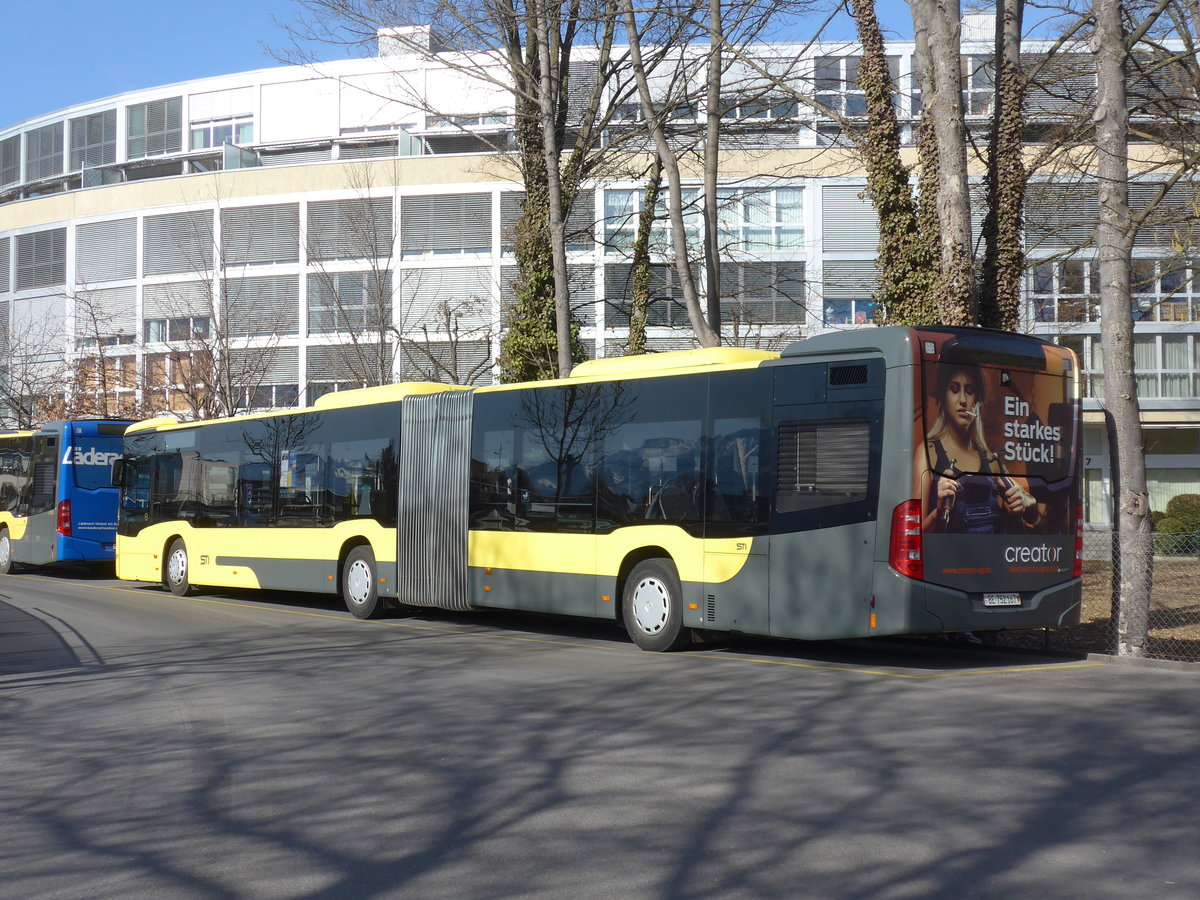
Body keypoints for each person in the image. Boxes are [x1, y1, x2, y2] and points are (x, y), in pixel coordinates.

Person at [919, 357, 1044, 534]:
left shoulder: (989, 458)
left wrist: (1026, 503)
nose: (963, 400)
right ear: (943, 397)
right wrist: (939, 512)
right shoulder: (928, 453)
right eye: (954, 390)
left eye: (970, 391)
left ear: (977, 400)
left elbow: (1033, 515)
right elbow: (915, 535)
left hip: (991, 556)